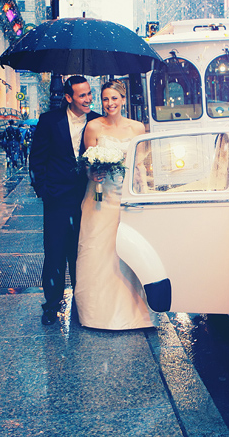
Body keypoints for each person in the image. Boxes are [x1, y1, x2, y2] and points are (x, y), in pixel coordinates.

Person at [74, 79, 153, 330]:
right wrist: (92, 174)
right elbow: (87, 164)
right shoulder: (93, 127)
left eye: (114, 99)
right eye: (106, 99)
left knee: (127, 251)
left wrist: (143, 188)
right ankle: (96, 313)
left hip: (126, 197)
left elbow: (141, 164)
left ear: (123, 99)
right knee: (98, 250)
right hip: (100, 197)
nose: (110, 104)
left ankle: (131, 311)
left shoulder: (137, 128)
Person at [29, 76, 100, 326]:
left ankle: (83, 304)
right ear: (68, 97)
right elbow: (36, 159)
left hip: (88, 197)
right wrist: (44, 191)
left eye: (89, 93)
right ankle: (51, 305)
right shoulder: (50, 121)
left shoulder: (96, 120)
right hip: (57, 199)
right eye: (82, 95)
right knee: (56, 254)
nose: (88, 99)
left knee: (83, 254)